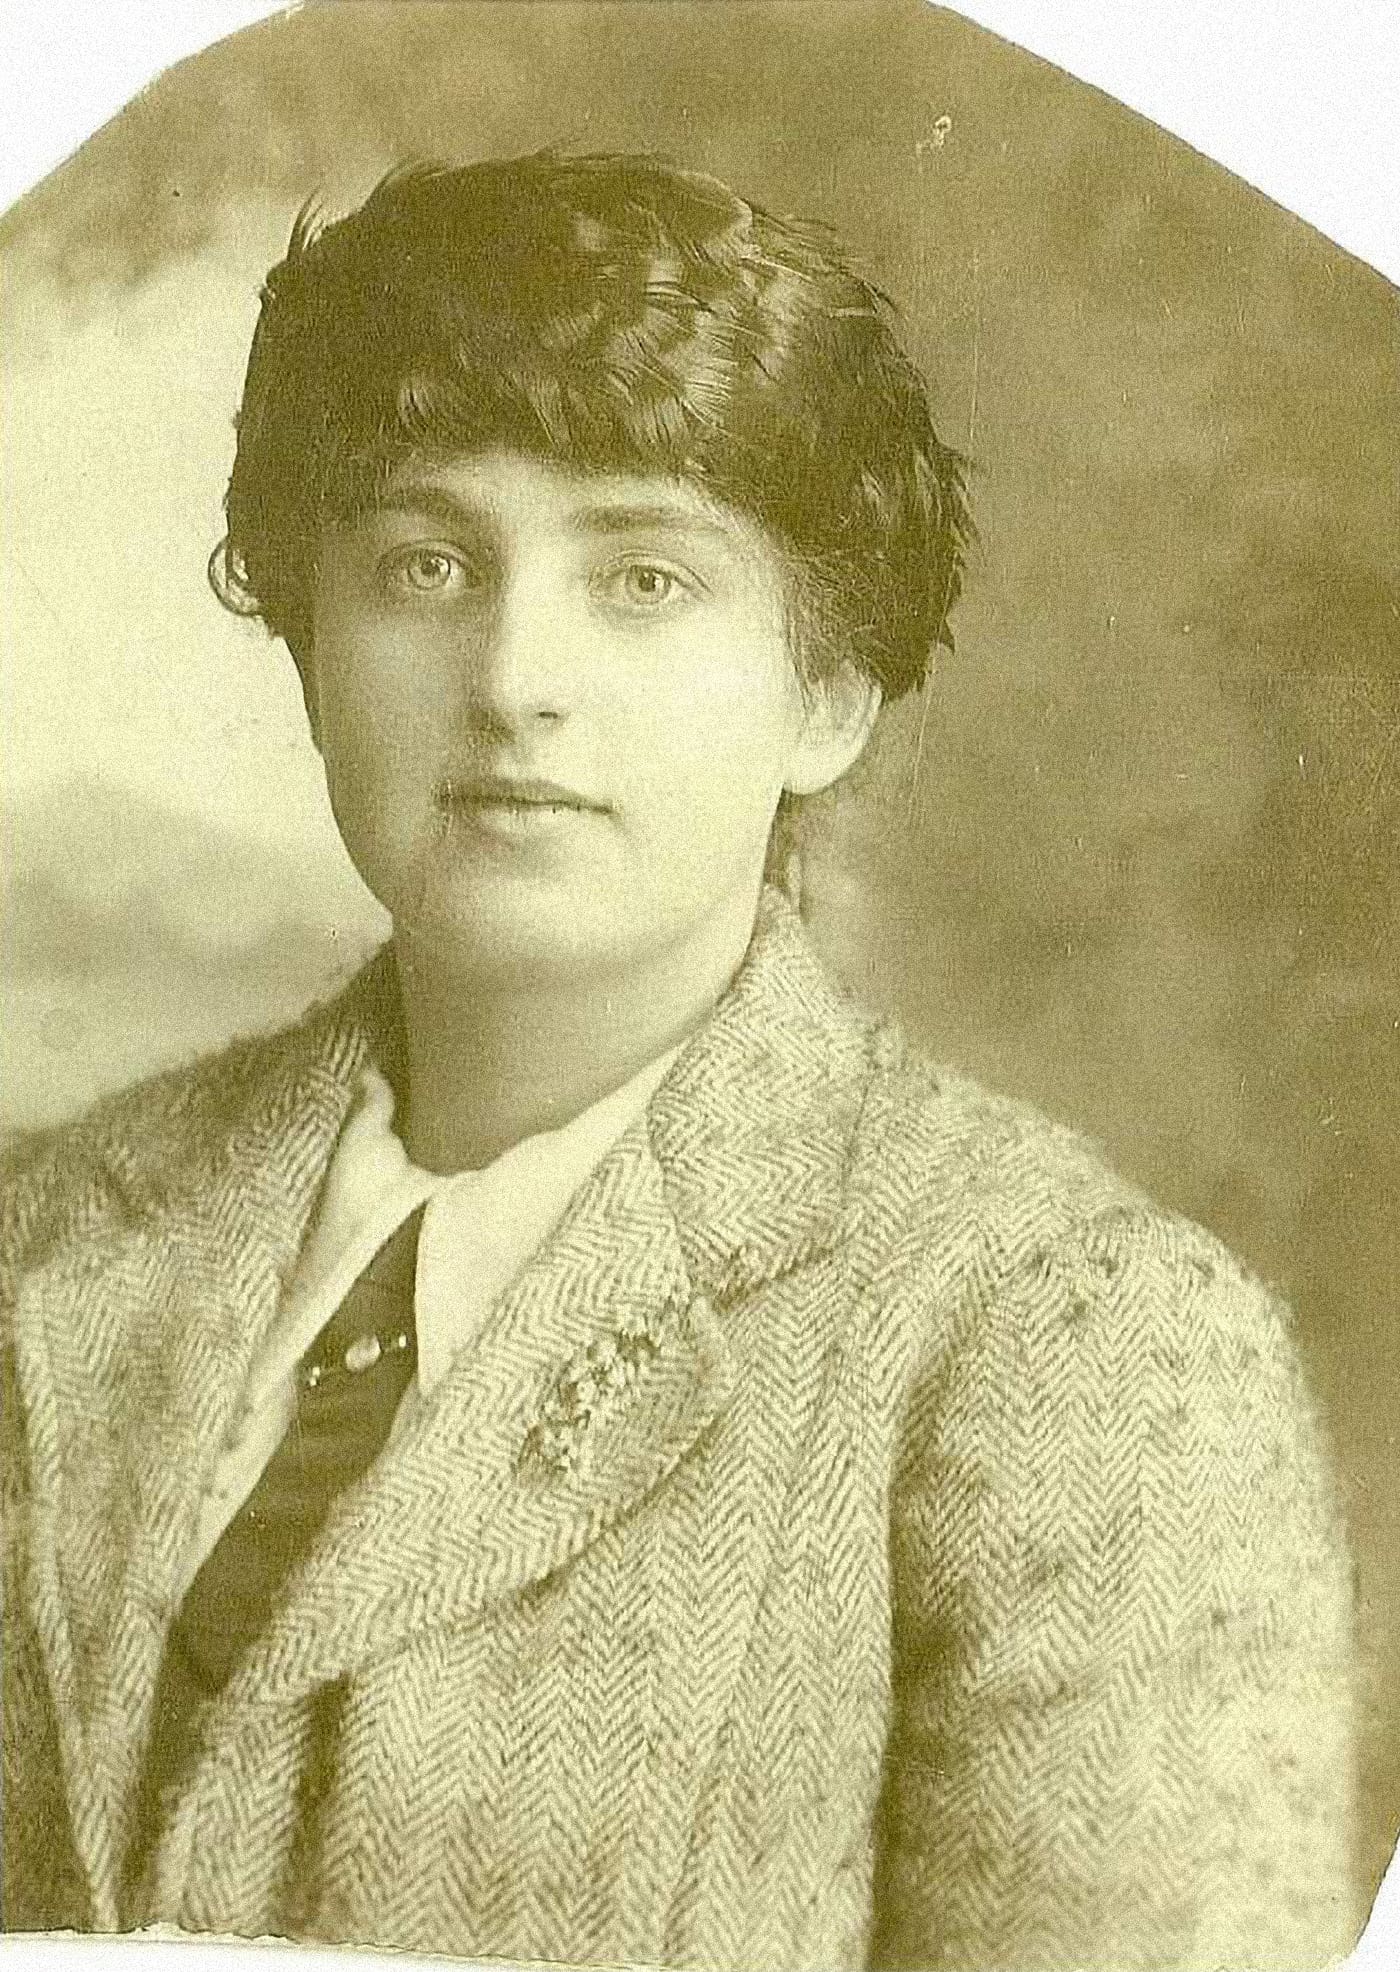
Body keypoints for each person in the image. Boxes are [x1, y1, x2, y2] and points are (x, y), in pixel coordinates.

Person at [0, 151, 1358, 1970]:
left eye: (642, 577)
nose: (513, 676)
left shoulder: (1073, 1346)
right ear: (310, 638)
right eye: (423, 562)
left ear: (828, 695)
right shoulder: (55, 1237)